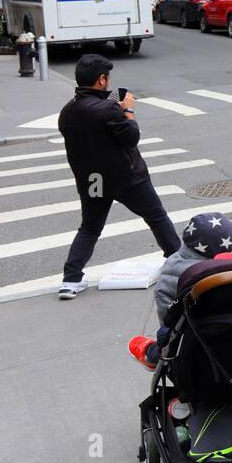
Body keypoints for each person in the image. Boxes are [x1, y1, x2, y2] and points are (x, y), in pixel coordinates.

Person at [57, 54, 181, 299]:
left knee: (90, 228)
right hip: (127, 178)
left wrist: (114, 106)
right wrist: (129, 110)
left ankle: (70, 280)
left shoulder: (67, 111)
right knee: (156, 217)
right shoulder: (108, 109)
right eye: (108, 78)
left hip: (92, 181)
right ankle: (177, 263)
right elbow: (131, 136)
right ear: (101, 79)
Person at [127, 213, 232, 370]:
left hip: (190, 335)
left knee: (168, 333)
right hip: (226, 331)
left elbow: (166, 310)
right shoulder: (224, 270)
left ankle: (153, 355)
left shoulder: (172, 266)